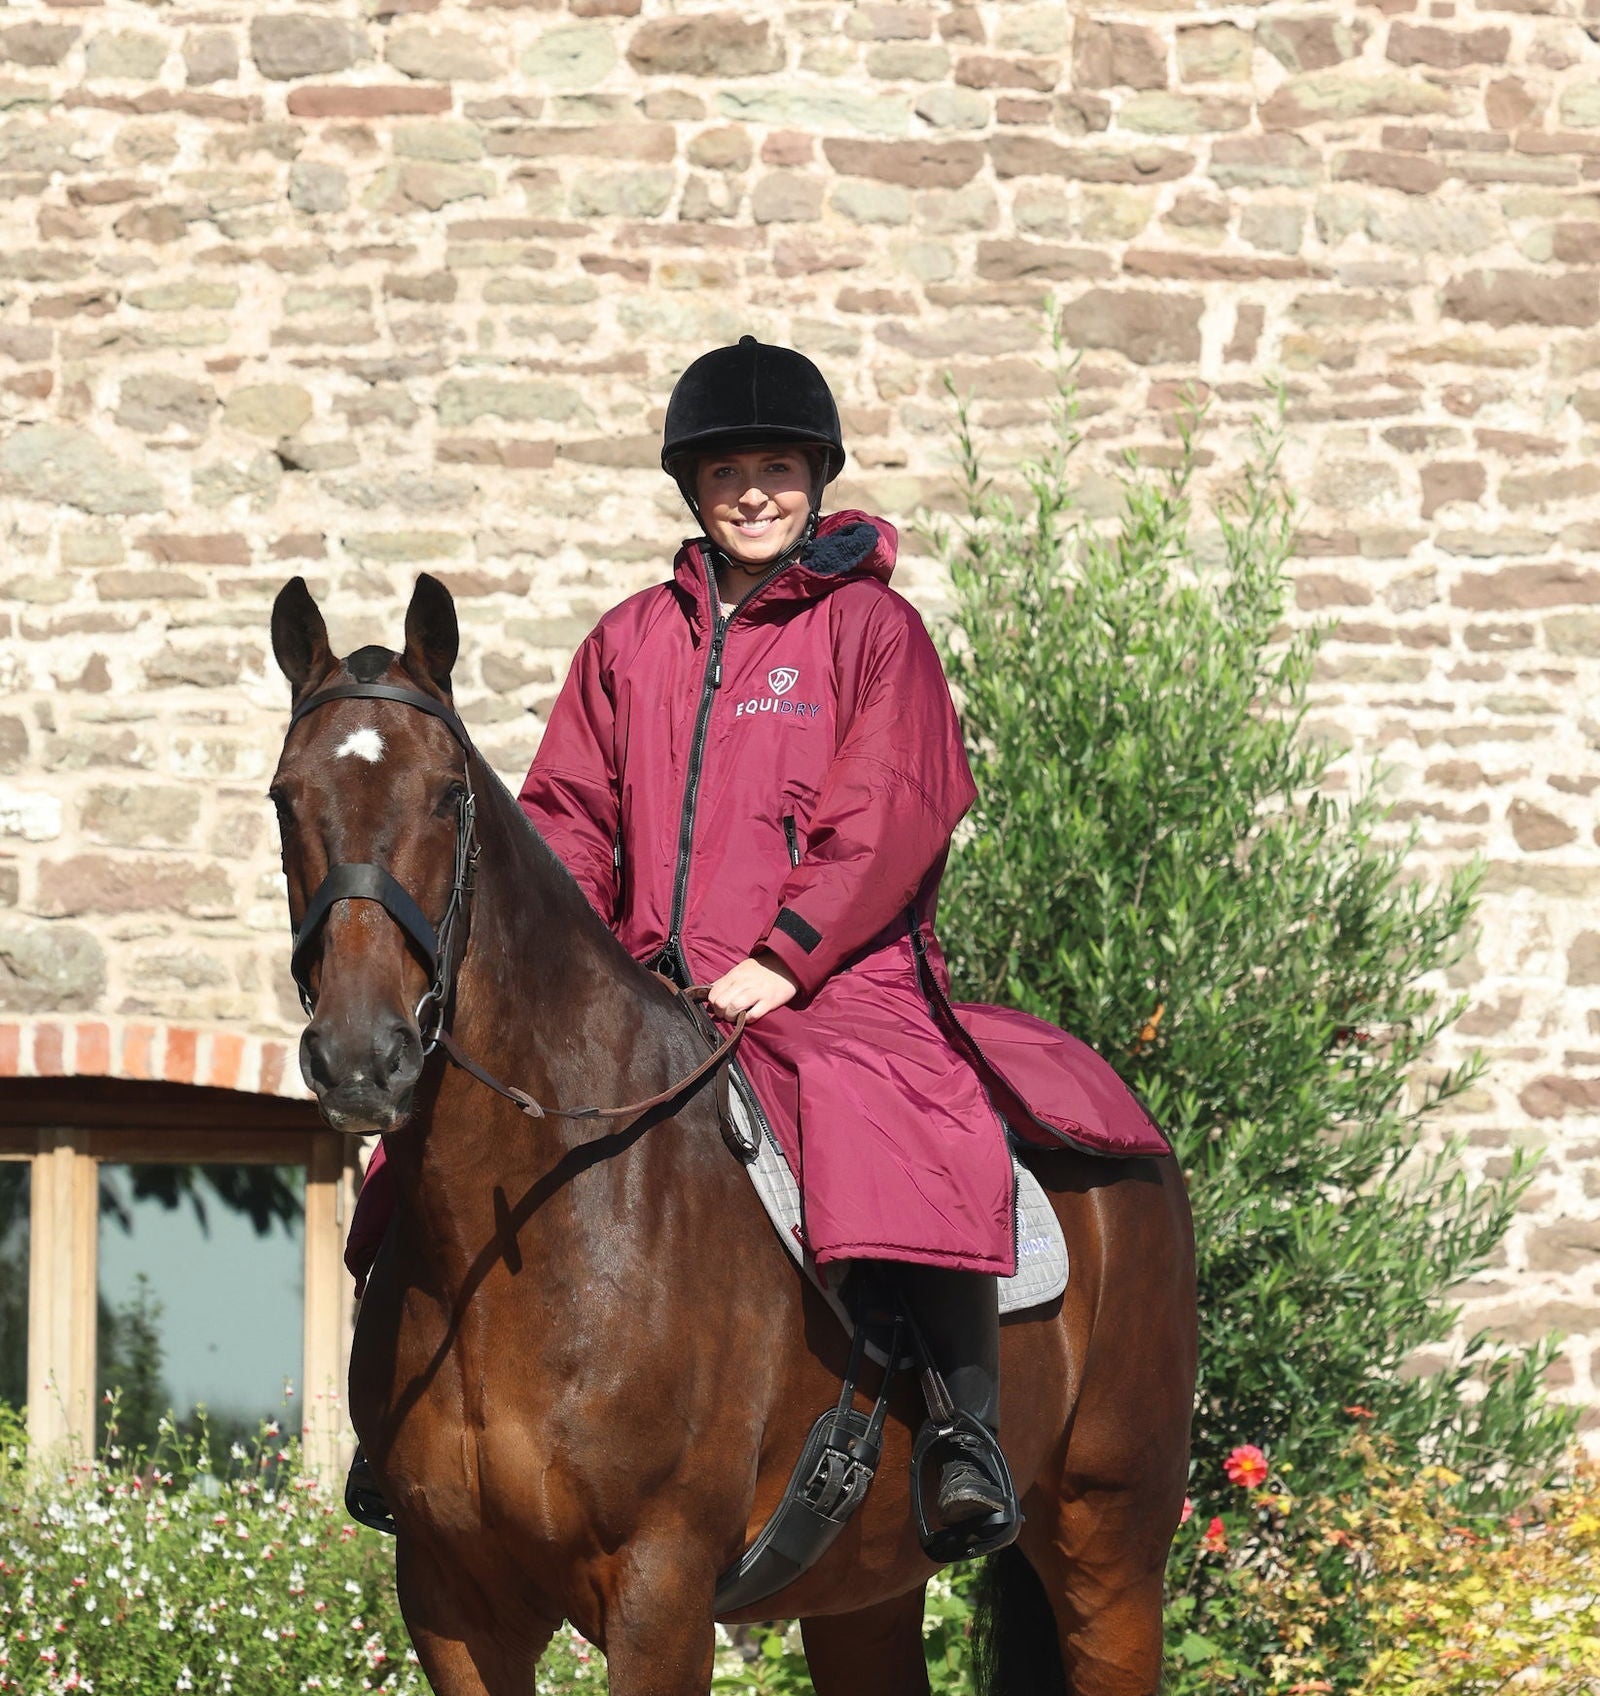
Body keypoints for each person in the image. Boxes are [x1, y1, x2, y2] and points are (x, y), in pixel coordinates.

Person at [343, 336, 1169, 1542]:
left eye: (777, 468)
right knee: (445, 1119)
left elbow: (889, 810)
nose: (753, 493)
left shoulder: (872, 631)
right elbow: (566, 815)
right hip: (645, 977)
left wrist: (782, 956)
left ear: (816, 477)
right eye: (727, 472)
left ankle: (960, 1427)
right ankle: (402, 1406)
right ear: (693, 487)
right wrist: (567, 978)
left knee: (893, 1118)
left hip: (838, 979)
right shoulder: (628, 640)